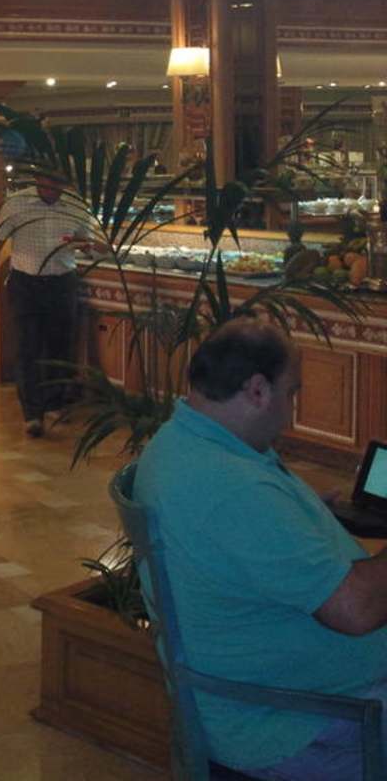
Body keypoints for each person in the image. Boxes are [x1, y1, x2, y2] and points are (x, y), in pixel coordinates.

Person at [134, 319, 387, 779]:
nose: (290, 410)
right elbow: (358, 611)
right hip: (293, 724)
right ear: (256, 390)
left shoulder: (182, 442)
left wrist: (298, 516)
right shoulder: (232, 489)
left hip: (266, 697)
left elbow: (241, 536)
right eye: (292, 392)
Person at [0, 169, 101, 436]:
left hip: (63, 281)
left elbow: (89, 242)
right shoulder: (17, 203)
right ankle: (32, 413)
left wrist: (85, 244)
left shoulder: (77, 206)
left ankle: (55, 402)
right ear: (37, 179)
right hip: (26, 282)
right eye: (48, 181)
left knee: (61, 346)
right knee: (28, 346)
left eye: (58, 182)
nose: (52, 187)